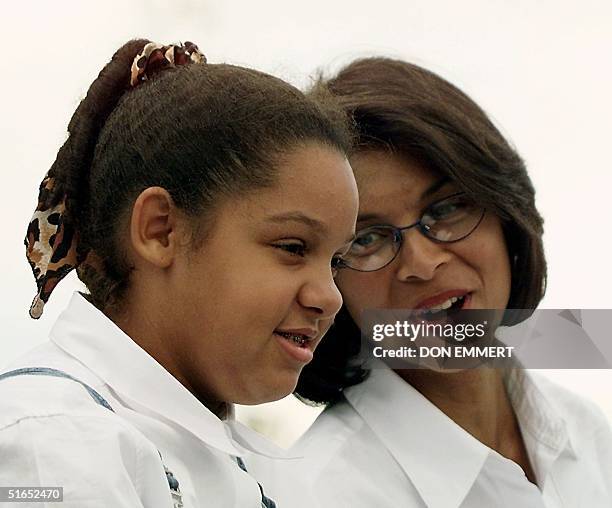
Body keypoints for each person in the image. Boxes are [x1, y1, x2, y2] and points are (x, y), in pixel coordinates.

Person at [0, 39, 358, 507]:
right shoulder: (56, 442)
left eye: (336, 261)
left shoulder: (257, 467)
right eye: (292, 247)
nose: (329, 297)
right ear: (160, 230)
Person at [251, 57, 612, 507]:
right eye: (367, 238)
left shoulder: (588, 432)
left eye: (444, 210)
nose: (420, 263)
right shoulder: (320, 494)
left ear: (505, 209)